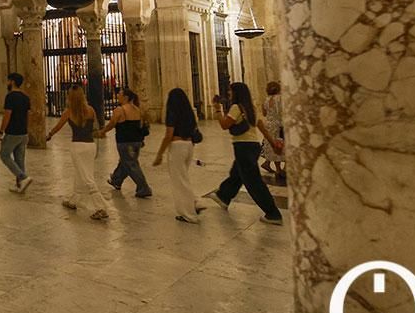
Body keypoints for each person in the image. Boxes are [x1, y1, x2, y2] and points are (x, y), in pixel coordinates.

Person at [207, 82, 285, 225]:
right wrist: (273, 143)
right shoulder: (251, 108)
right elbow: (261, 127)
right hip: (253, 146)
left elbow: (225, 125)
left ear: (236, 93)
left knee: (253, 182)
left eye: (231, 91)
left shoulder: (236, 107)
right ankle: (223, 196)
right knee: (236, 174)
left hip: (243, 147)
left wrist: (217, 110)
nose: (229, 94)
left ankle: (273, 213)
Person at [47, 86, 110, 220]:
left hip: (77, 146)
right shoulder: (91, 110)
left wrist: (49, 134)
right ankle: (74, 200)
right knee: (81, 173)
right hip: (90, 145)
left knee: (87, 178)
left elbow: (58, 126)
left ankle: (101, 207)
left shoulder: (69, 112)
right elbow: (96, 127)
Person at [153, 88, 201, 223]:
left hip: (177, 146)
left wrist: (160, 154)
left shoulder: (172, 112)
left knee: (179, 182)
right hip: (189, 145)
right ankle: (195, 201)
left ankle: (189, 214)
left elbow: (168, 135)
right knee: (183, 178)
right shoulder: (189, 113)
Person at [99, 88, 153, 198]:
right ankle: (116, 180)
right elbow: (141, 126)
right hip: (137, 142)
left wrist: (102, 132)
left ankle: (144, 188)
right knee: (125, 161)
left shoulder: (120, 110)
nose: (117, 95)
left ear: (126, 97)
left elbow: (112, 124)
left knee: (131, 164)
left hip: (125, 142)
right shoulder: (138, 110)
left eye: (120, 94)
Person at [0, 72, 33, 193]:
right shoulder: (26, 97)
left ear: (12, 82)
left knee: (4, 155)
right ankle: (20, 185)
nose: (7, 83)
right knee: (19, 159)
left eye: (8, 81)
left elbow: (7, 115)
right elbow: (28, 116)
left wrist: (1, 131)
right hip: (23, 133)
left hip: (12, 133)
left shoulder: (10, 97)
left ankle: (23, 177)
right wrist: (26, 130)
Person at [260, 81, 285, 179]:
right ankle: (283, 170)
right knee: (282, 146)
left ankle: (278, 169)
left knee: (274, 147)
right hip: (279, 125)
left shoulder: (266, 100)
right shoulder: (280, 98)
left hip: (269, 126)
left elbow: (264, 113)